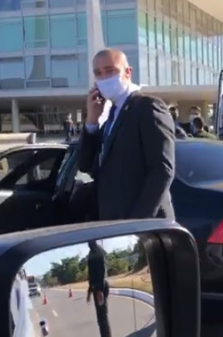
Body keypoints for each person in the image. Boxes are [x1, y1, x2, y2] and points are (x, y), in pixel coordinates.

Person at [78, 48, 175, 221]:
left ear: (128, 72)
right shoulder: (111, 116)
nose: (104, 78)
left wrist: (136, 224)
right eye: (98, 73)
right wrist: (92, 122)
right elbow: (85, 164)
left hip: (142, 227)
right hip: (113, 223)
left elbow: (162, 169)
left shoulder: (147, 107)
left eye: (110, 71)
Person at [87, 241, 111, 337]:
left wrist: (100, 290)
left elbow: (101, 271)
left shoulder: (98, 253)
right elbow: (91, 275)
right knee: (100, 318)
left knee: (102, 317)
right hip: (96, 288)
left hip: (100, 288)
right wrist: (89, 292)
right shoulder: (92, 253)